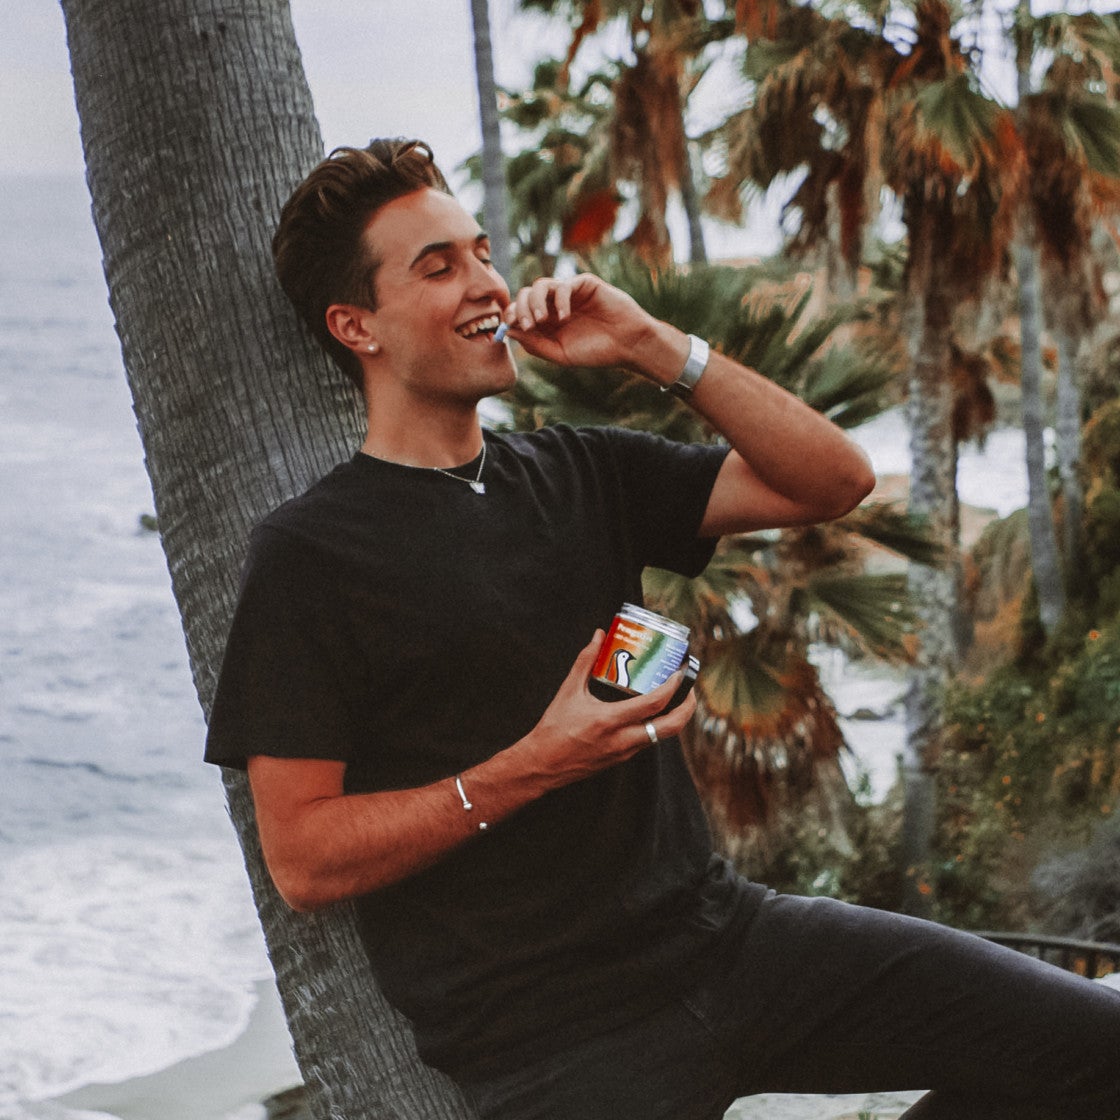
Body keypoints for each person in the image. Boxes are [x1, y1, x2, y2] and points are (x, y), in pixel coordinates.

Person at [204, 138, 1120, 1120]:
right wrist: (535, 763)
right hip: (552, 1038)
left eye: (481, 252)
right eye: (438, 268)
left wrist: (653, 345)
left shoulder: (580, 470)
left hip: (729, 940)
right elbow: (304, 858)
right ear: (357, 326)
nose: (486, 283)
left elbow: (833, 480)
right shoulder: (309, 553)